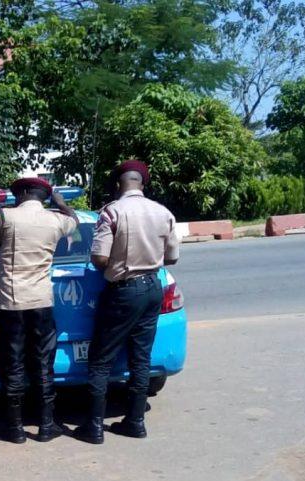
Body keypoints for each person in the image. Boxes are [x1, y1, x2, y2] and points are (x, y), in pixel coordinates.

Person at [73, 159, 180, 444]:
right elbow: (171, 258)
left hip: (124, 290)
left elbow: (99, 258)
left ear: (119, 184)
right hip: (153, 287)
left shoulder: (112, 212)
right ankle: (135, 422)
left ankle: (94, 428)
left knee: (100, 359)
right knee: (140, 357)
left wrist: (116, 264)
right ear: (142, 184)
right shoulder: (163, 212)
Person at [0, 178, 78, 444]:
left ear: (22, 193)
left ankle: (15, 428)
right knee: (43, 364)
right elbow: (74, 222)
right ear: (44, 196)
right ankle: (46, 426)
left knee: (12, 365)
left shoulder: (6, 216)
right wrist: (62, 204)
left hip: (9, 302)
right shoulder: (56, 220)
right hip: (42, 302)